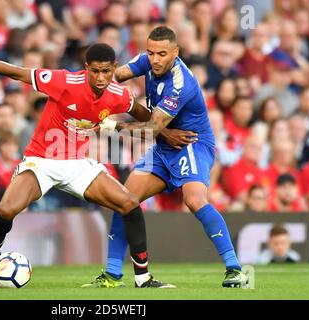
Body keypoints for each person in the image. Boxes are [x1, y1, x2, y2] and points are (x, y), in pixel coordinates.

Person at [0, 42, 182, 288]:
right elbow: (16, 71)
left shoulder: (118, 95)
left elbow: (142, 114)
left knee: (130, 204)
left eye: (106, 71)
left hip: (77, 164)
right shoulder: (64, 81)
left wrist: (166, 133)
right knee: (6, 210)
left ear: (114, 69)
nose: (101, 77)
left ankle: (142, 278)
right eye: (95, 71)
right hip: (42, 161)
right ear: (86, 68)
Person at [85, 26, 247, 288]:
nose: (155, 59)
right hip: (163, 145)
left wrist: (109, 125)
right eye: (151, 53)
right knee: (123, 200)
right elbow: (114, 76)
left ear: (175, 52)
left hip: (191, 143)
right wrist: (89, 87)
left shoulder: (179, 84)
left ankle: (235, 269)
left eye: (162, 53)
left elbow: (150, 129)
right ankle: (113, 275)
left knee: (194, 200)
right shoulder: (146, 61)